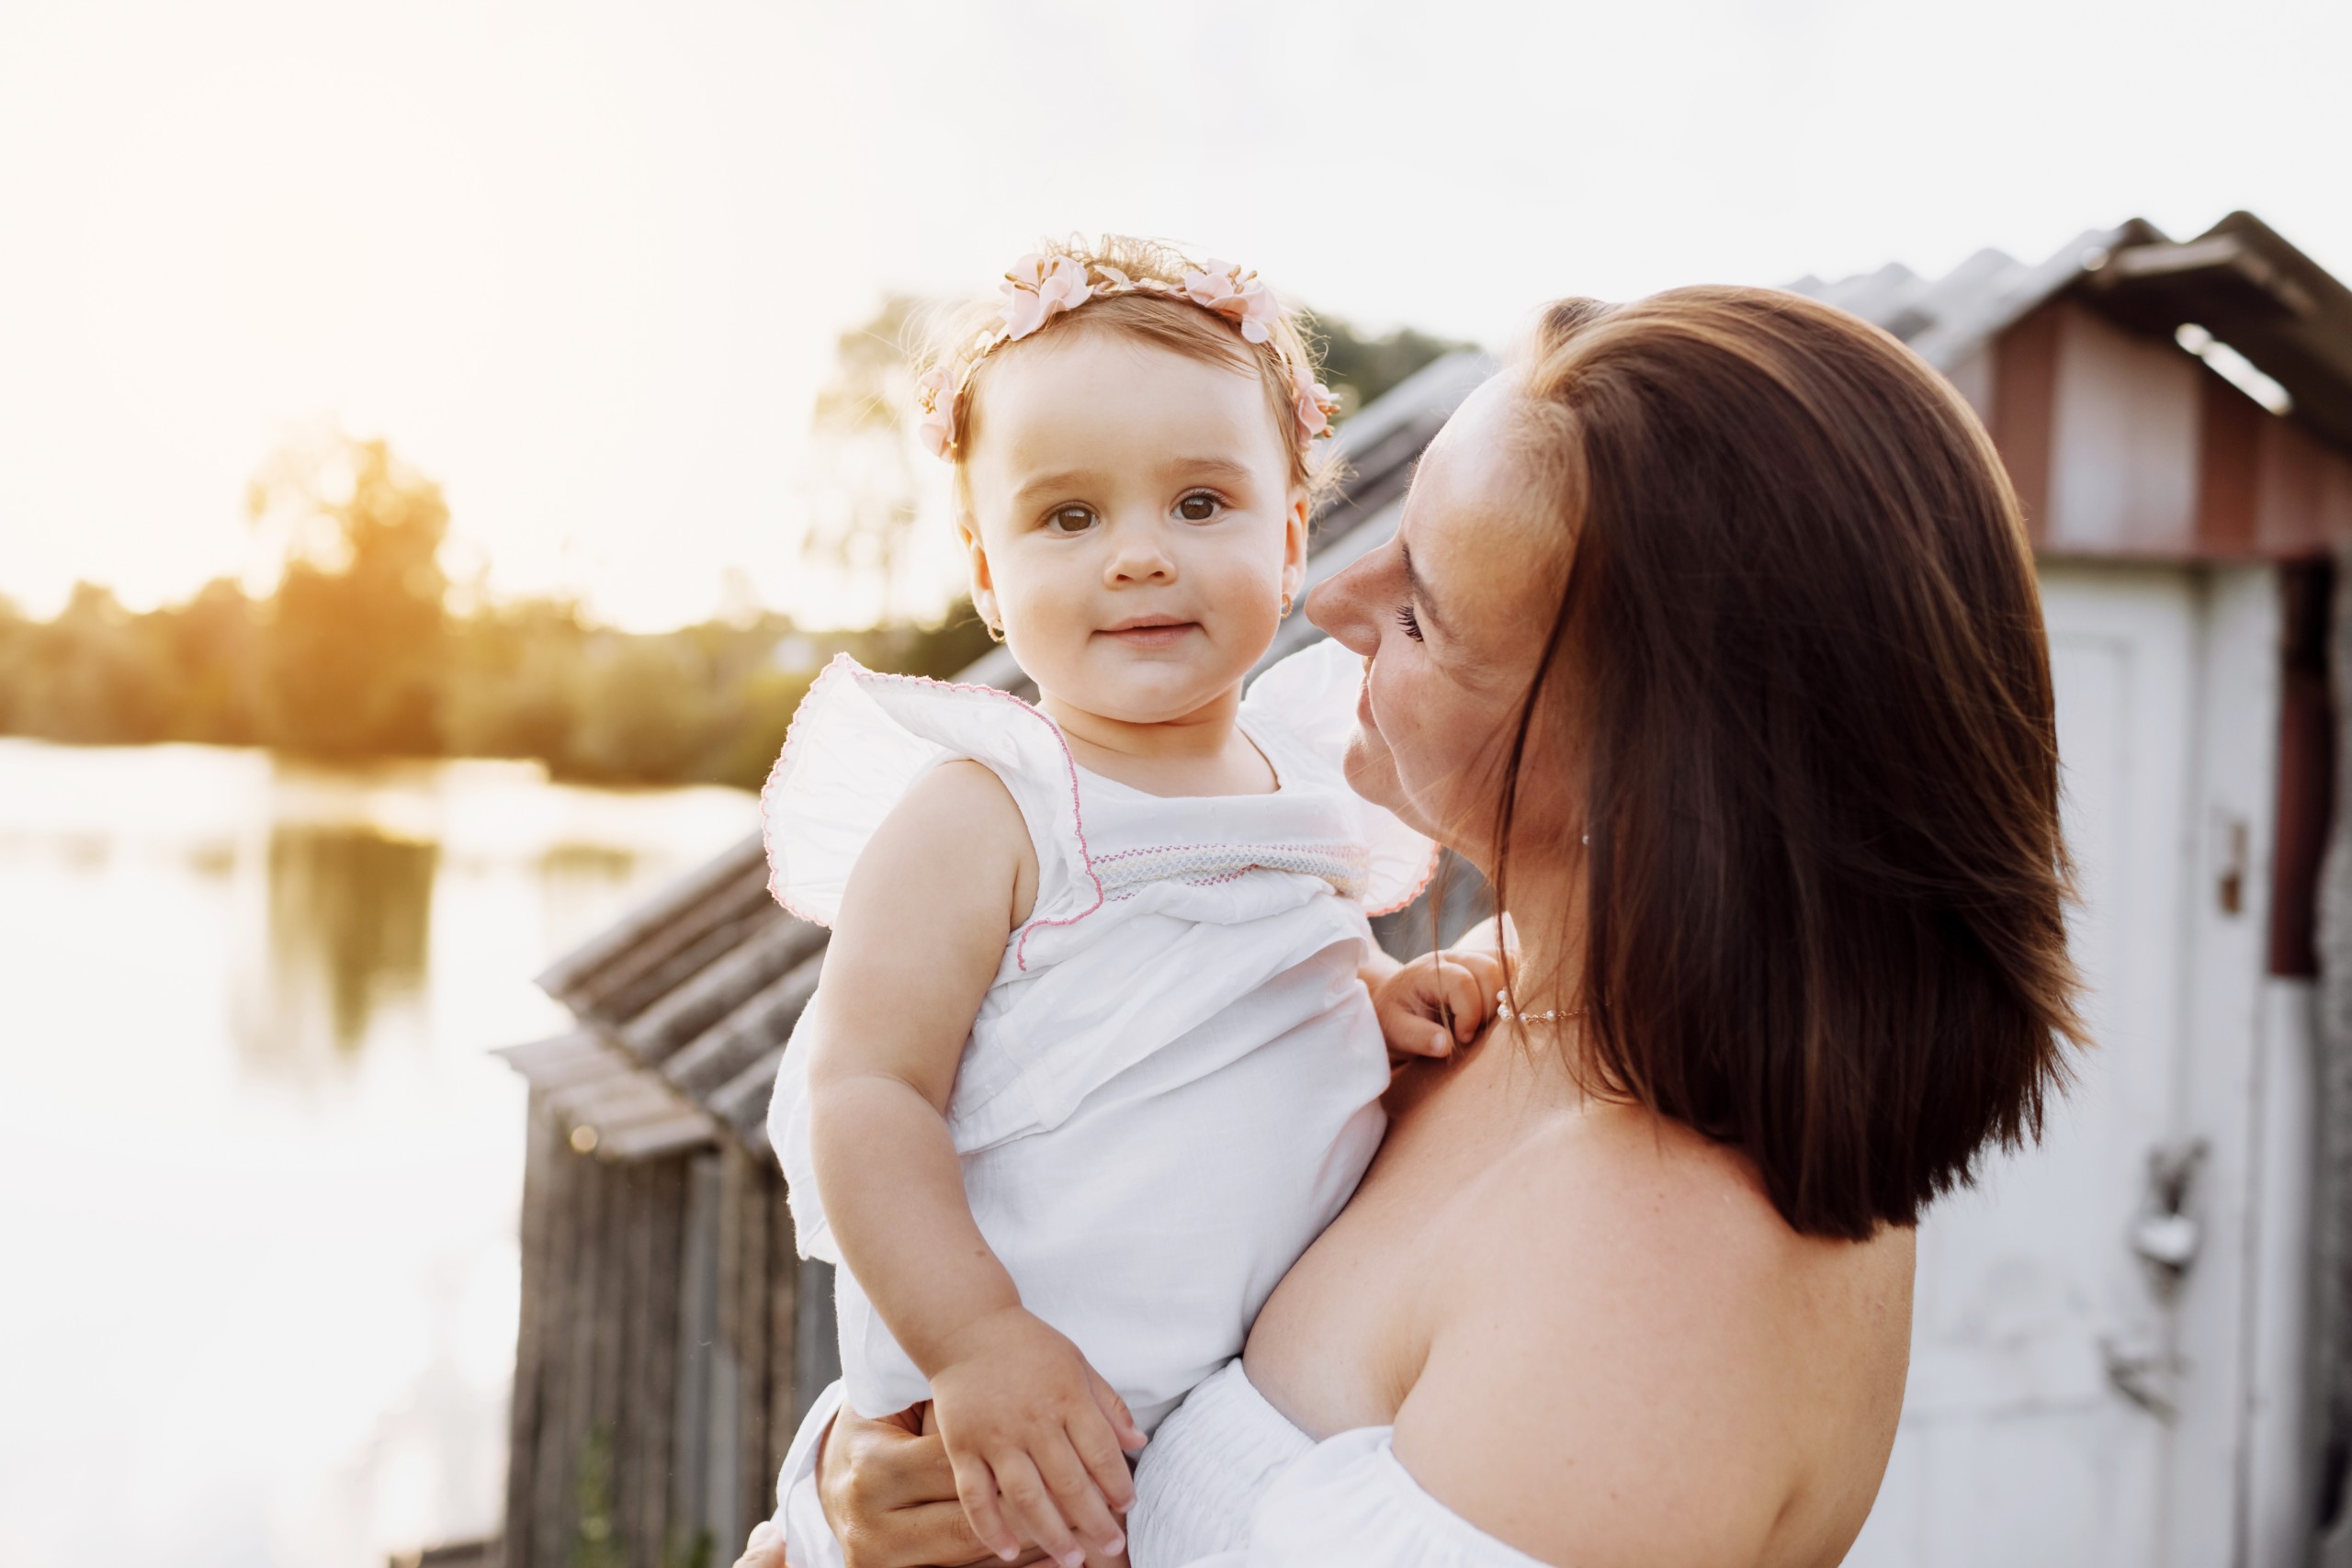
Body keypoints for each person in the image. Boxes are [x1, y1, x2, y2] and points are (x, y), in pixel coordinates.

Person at [744, 284, 2087, 1567]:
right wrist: (845, 1493)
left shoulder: (1668, 1274)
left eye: (1421, 608)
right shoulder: (1503, 998)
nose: (1328, 601)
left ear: (1647, 756)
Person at [756, 236, 1508, 1568]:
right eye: (1069, 517)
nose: (1142, 558)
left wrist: (1379, 1001)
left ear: (1288, 542)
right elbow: (866, 1093)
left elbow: (1246, 989)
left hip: (1170, 1444)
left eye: (1201, 505)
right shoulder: (988, 812)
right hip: (992, 1423)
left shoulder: (1305, 782)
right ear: (988, 574)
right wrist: (977, 1336)